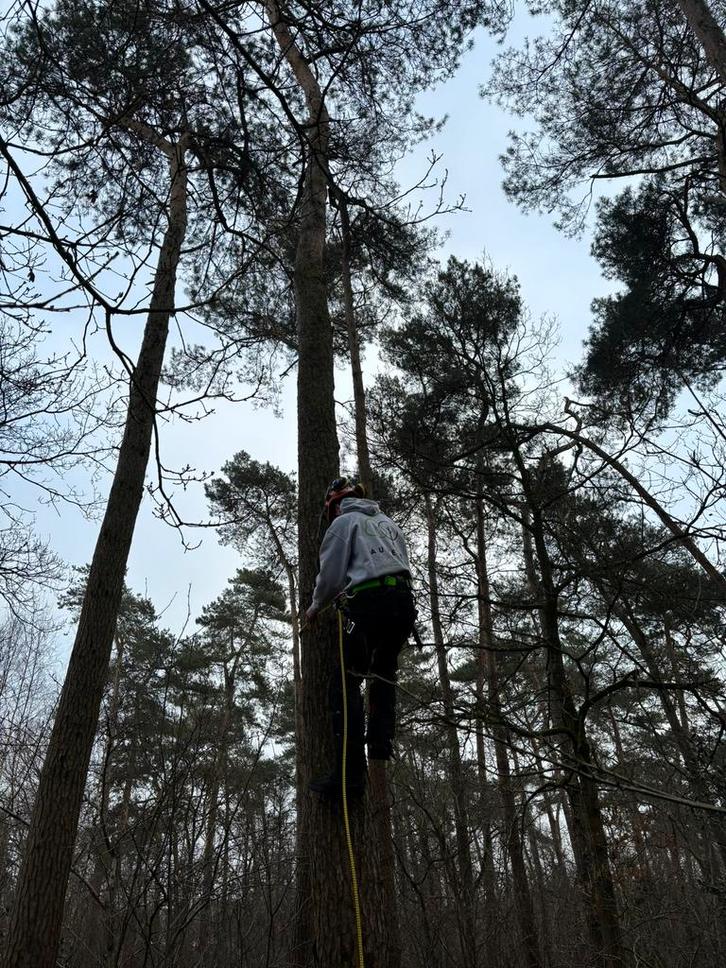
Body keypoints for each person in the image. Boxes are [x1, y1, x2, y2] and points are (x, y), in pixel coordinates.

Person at [305, 478, 417, 798]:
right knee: (384, 672)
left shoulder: (343, 523)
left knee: (345, 683)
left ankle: (349, 777)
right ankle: (380, 743)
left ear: (335, 504)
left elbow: (330, 577)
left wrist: (315, 608)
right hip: (402, 607)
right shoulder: (389, 525)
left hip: (368, 606)